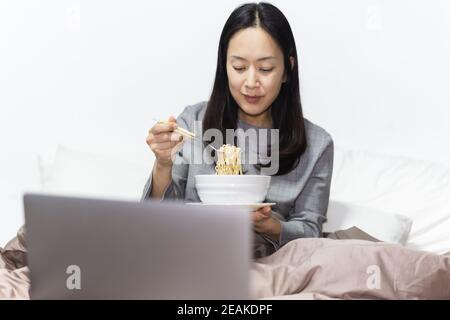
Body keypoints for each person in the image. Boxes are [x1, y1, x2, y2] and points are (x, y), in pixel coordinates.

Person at [141, 2, 333, 258]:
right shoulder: (193, 122)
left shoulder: (317, 145)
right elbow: (156, 219)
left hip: (266, 262)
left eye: (265, 69)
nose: (251, 83)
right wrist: (163, 164)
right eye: (239, 68)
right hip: (189, 252)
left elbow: (311, 231)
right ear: (224, 66)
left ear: (287, 69)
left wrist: (271, 226)